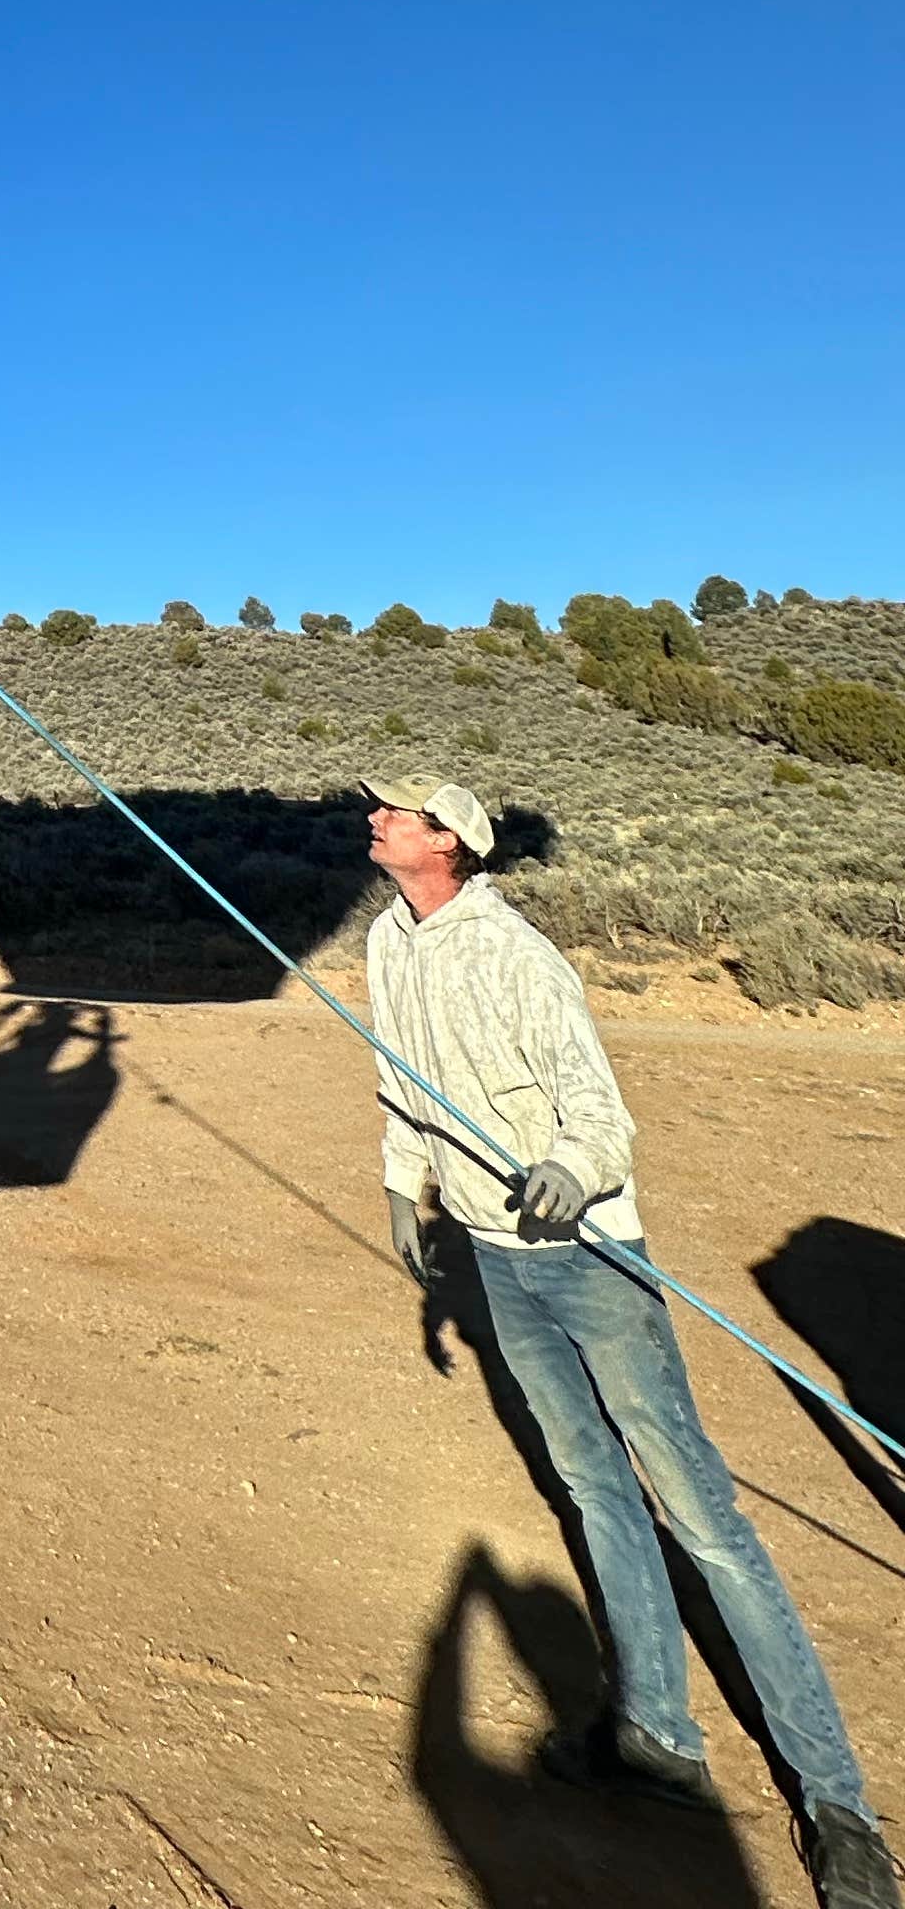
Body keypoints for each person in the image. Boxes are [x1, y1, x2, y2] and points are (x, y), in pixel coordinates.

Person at [363, 775, 895, 1907]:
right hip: (498, 1260)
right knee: (595, 1489)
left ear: (449, 842)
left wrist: (572, 1168)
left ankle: (840, 1808)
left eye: (398, 811)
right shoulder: (386, 942)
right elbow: (397, 1081)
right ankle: (658, 1736)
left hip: (593, 1260)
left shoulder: (520, 958)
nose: (376, 819)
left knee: (703, 1517)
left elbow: (601, 1112)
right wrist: (406, 1185)